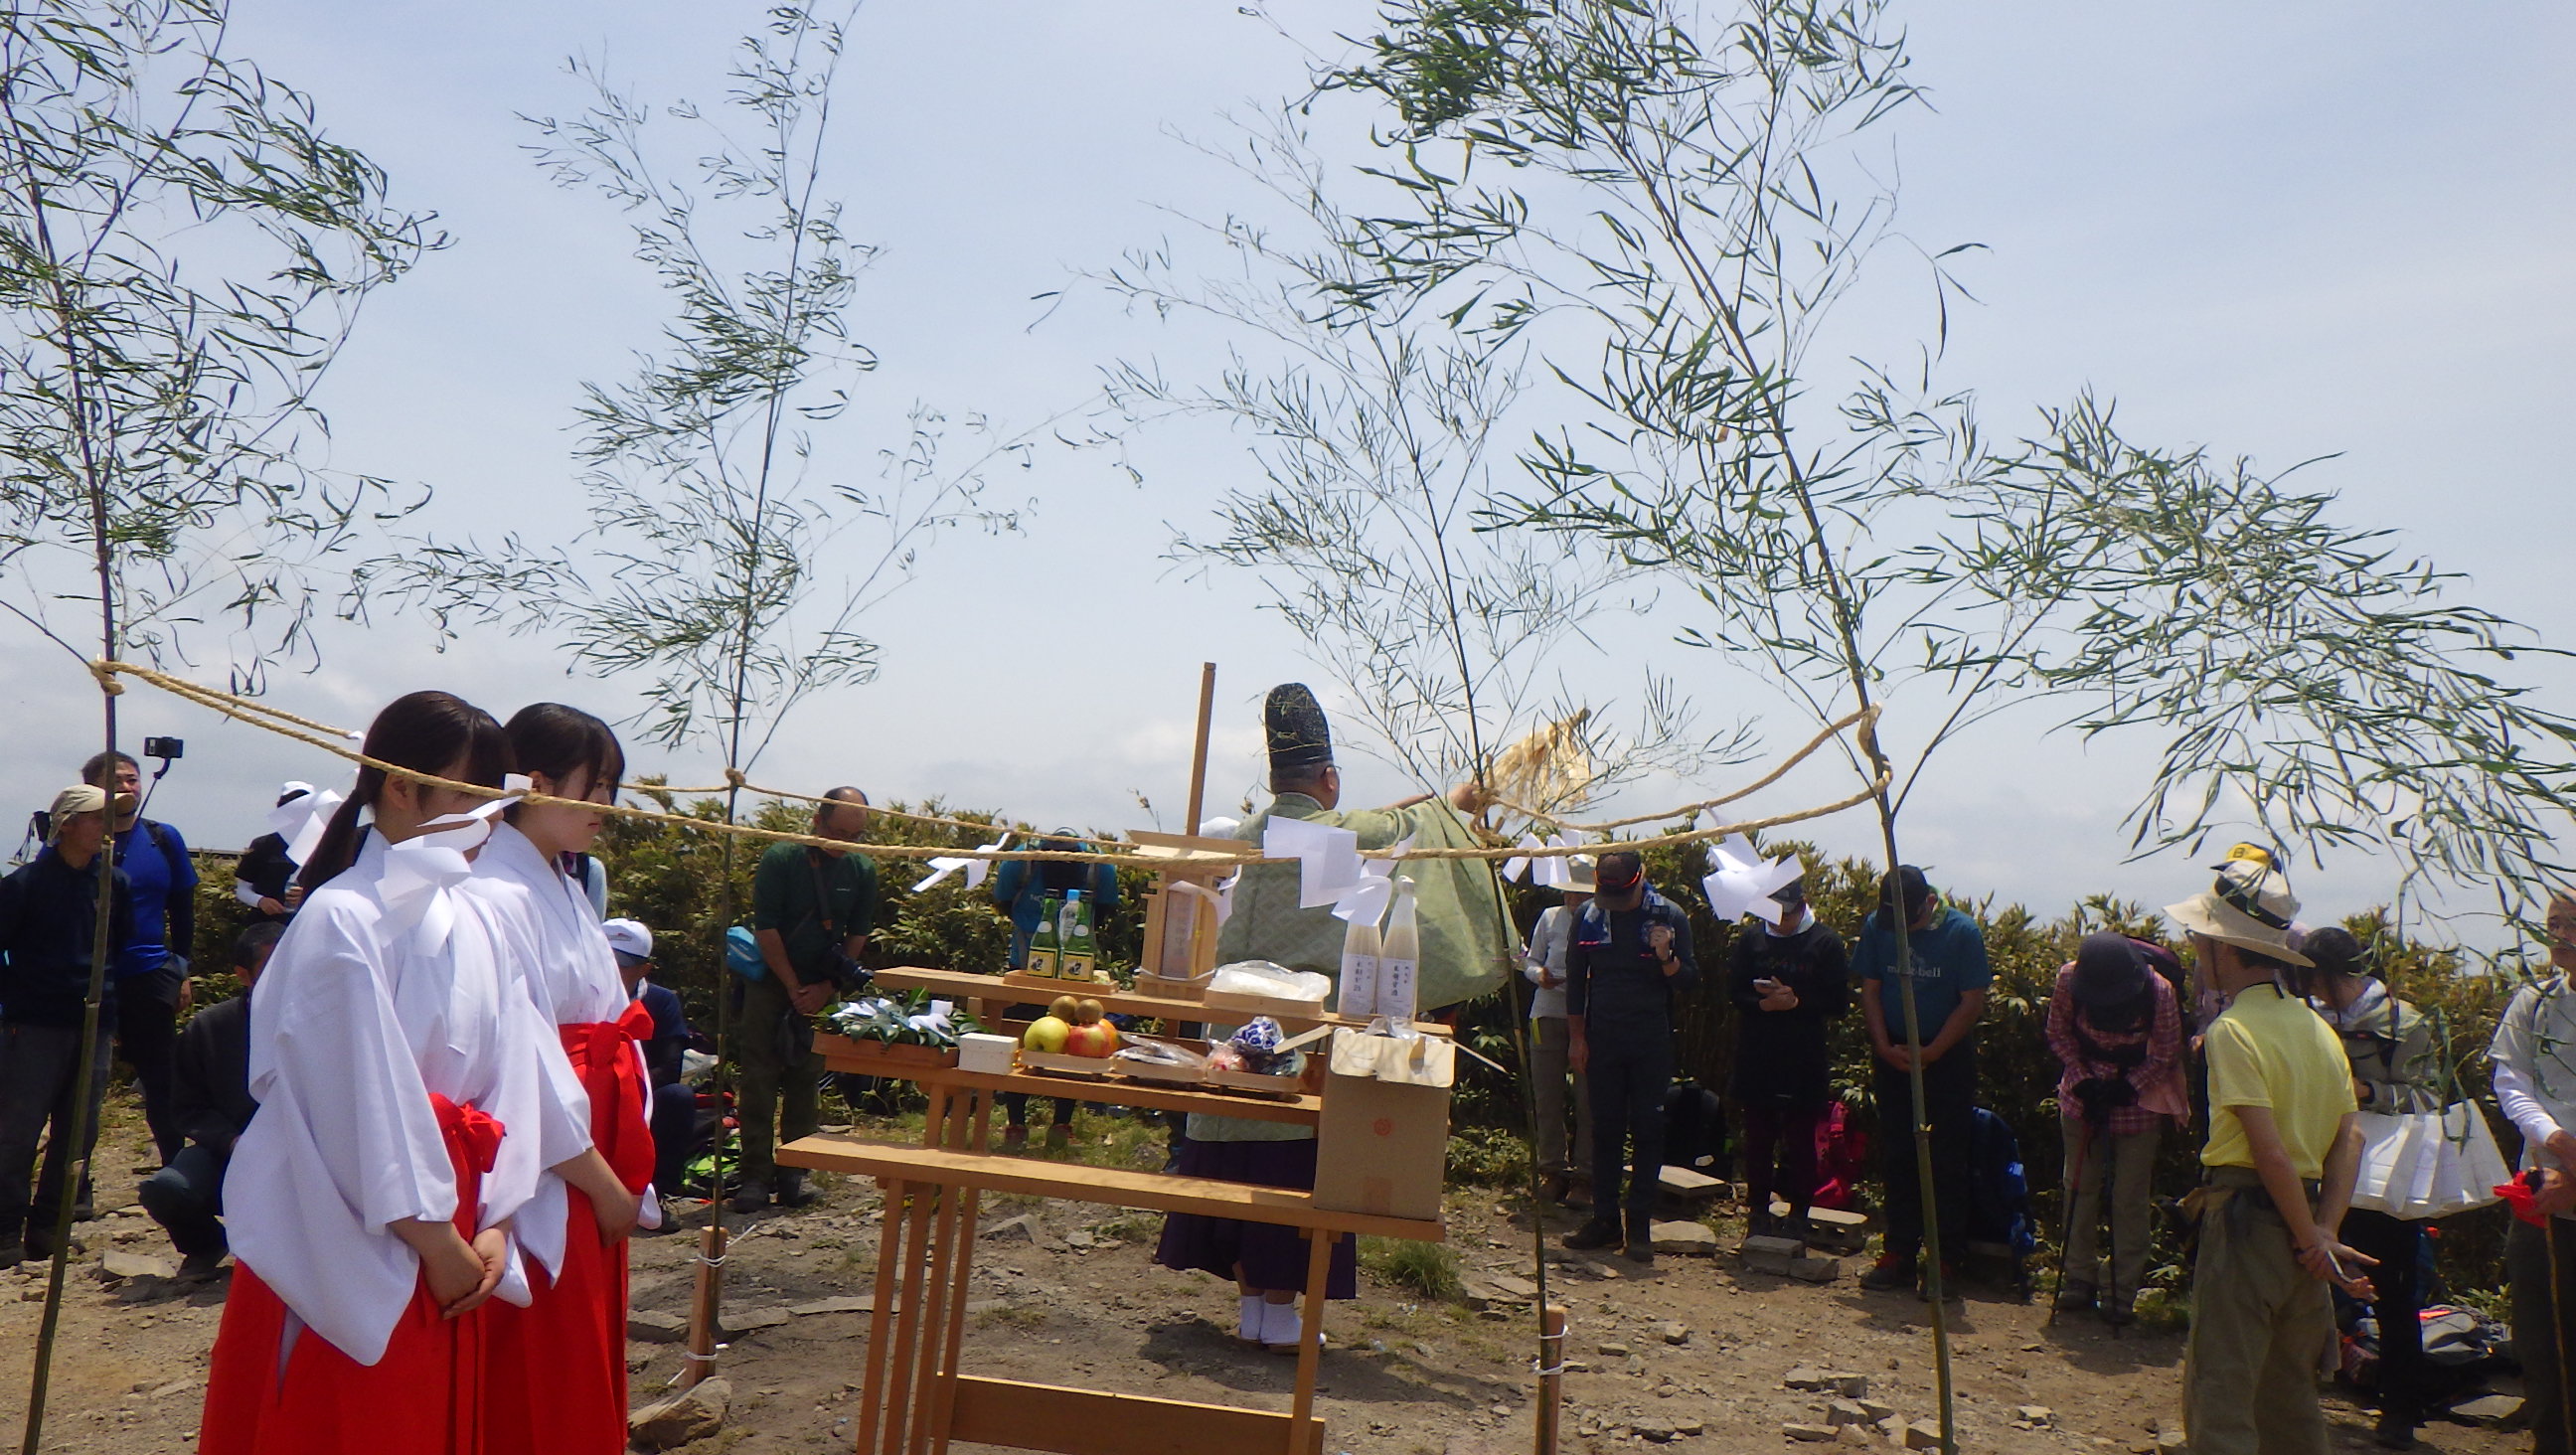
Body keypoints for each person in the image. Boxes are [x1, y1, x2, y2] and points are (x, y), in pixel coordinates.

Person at [199, 690, 593, 1455]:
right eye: (470, 796)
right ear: (401, 789)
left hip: (463, 1214)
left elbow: (514, 1069)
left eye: (494, 800)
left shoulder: (473, 913)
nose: (488, 820)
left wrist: (499, 1218)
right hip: (362, 1223)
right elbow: (352, 1104)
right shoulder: (341, 917)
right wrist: (435, 1238)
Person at [1156, 683, 1508, 1352]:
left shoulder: (1249, 834)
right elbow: (1420, 823)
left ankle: (1254, 1306)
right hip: (1303, 1030)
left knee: (1232, 1155)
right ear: (1329, 777)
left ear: (1271, 778)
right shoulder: (1343, 832)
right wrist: (1464, 799)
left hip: (1231, 1027)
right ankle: (1280, 1314)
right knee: (1291, 1167)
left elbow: (1383, 820)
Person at [476, 703, 653, 1454]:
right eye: (598, 786)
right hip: (548, 1157)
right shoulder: (494, 889)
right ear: (538, 783)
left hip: (593, 1133)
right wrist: (600, 1178)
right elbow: (520, 1061)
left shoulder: (563, 883)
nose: (606, 806)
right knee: (540, 1352)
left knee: (579, 1342)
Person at [2170, 846, 2373, 1455]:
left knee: (2223, 1391)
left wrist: (2314, 1239)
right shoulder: (2316, 1028)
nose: (2194, 949)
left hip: (2247, 1226)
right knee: (2290, 1397)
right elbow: (2349, 1137)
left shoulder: (2234, 1030)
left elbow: (2268, 1152)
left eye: (2198, 937)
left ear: (2223, 947)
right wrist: (2323, 1233)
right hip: (2304, 1223)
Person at [2297, 923, 2440, 1449]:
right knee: (2311, 1277)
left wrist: (2367, 1089)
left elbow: (2427, 1098)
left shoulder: (2408, 1023)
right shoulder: (2306, 1019)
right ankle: (2300, 1393)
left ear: (2334, 974)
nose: (2309, 990)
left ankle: (2401, 1409)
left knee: (2393, 1292)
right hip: (2322, 1162)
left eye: (2315, 980)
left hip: (2385, 1175)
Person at [0, 785, 131, 1265]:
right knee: (17, 1130)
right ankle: (4, 1229)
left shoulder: (114, 883)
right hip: (33, 1024)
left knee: (79, 1132)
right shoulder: (24, 885)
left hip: (94, 1021)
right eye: (99, 818)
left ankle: (49, 1227)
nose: (108, 827)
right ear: (68, 825)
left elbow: (120, 948)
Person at [739, 785, 879, 1213]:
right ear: (817, 822)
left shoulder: (861, 869)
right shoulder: (782, 860)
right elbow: (767, 928)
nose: (845, 846)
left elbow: (858, 933)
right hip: (771, 982)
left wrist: (827, 989)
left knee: (806, 1081)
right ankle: (754, 1177)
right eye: (838, 834)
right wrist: (792, 985)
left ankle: (795, 1173)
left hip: (822, 986)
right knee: (759, 1078)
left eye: (853, 838)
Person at [1854, 866, 1991, 1295]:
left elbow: (1971, 1002)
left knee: (1945, 1158)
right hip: (1893, 1051)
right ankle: (1898, 1251)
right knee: (1898, 1154)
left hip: (1944, 1056)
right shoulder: (1878, 926)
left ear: (1928, 903)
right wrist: (1882, 1045)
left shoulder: (1961, 932)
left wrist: (1932, 1052)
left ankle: (1946, 1258)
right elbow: (1871, 988)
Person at [1562, 849, 1697, 1263]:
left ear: (1642, 877)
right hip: (1601, 1037)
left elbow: (1690, 982)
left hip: (1649, 1040)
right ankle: (1604, 1220)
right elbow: (1574, 983)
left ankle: (1638, 1224)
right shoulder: (1588, 915)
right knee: (1604, 1130)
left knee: (1648, 1130)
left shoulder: (1669, 916)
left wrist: (1666, 958)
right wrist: (1576, 1039)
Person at [2044, 931, 2186, 1326]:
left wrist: (2127, 1087)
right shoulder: (2068, 979)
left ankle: (2121, 1291)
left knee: (2129, 1198)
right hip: (2082, 1097)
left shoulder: (2158, 991)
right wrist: (2085, 1078)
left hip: (2139, 1101)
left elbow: (2165, 1051)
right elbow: (2058, 1033)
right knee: (2078, 1187)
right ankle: (2078, 1280)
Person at [137, 920, 278, 1280]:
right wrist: (232, 1141)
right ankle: (206, 1245)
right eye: (272, 967)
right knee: (167, 1189)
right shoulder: (209, 1028)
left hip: (307, 1158)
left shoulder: (323, 1022)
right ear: (243, 975)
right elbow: (187, 1108)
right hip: (231, 1153)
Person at [2489, 889, 2576, 1455]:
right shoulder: (2536, 1001)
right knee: (2541, 1343)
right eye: (2554, 922)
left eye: (2574, 922)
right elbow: (2510, 1081)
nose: (2562, 933)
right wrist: (2556, 1141)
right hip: (2544, 1190)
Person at [82, 750, 197, 1166]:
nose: (126, 787)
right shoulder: (78, 841)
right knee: (83, 1086)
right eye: (115, 780)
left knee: (160, 1079)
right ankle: (76, 1184)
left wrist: (182, 969)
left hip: (149, 975)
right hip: (87, 977)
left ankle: (175, 1165)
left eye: (132, 779)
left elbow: (183, 909)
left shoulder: (163, 838)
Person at [1727, 874, 1851, 1240]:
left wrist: (1796, 1001)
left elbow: (1838, 1002)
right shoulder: (1752, 939)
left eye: (1784, 914)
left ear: (1801, 906)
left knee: (1800, 1140)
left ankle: (1799, 1211)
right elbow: (1734, 991)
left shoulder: (1825, 942)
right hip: (1758, 1052)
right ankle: (1758, 1212)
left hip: (1803, 1056)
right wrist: (1763, 1003)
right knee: (1759, 1138)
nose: (1777, 922)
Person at [990, 828, 1120, 1149]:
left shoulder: (1098, 866)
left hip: (1075, 969)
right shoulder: (1021, 861)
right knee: (1023, 1042)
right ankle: (1016, 1123)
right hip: (1025, 966)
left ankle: (1062, 1123)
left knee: (1076, 1044)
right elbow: (1003, 902)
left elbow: (1104, 910)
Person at [604, 918, 702, 1211]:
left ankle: (658, 1193)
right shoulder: (573, 995)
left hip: (641, 1089)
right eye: (605, 957)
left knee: (678, 1098)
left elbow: (671, 1066)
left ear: (644, 969)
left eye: (623, 963)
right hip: (584, 1088)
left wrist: (625, 1089)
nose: (613, 969)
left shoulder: (660, 1001)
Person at [1525, 856, 1595, 1208]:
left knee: (1589, 1099)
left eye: (1581, 895)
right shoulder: (1550, 918)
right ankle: (1551, 1170)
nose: (1573, 900)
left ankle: (1585, 1176)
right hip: (1547, 1013)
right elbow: (1530, 960)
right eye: (1569, 893)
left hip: (1589, 1017)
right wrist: (1539, 976)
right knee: (1546, 1096)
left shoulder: (1605, 921)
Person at [234, 783, 317, 923]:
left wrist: (310, 896)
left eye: (303, 804)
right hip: (267, 926)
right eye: (290, 804)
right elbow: (242, 889)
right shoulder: (263, 845)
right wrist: (260, 901)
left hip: (308, 924)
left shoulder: (326, 847)